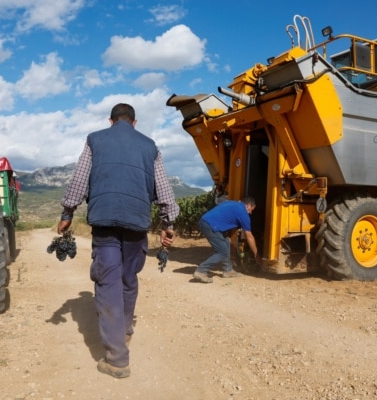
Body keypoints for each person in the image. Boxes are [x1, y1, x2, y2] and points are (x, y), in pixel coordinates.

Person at [57, 103, 179, 379]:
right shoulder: (150, 147)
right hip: (137, 222)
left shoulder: (95, 139)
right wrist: (168, 224)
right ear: (134, 123)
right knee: (128, 278)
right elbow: (164, 189)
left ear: (111, 121)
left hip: (105, 220)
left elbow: (79, 180)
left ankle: (117, 359)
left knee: (108, 281)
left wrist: (67, 212)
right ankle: (123, 329)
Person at [193, 196, 259, 283]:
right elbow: (249, 235)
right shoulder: (243, 212)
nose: (250, 213)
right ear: (248, 205)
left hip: (206, 222)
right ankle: (201, 271)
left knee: (226, 242)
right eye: (251, 210)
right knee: (222, 252)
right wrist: (256, 254)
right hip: (210, 225)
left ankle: (228, 270)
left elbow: (225, 218)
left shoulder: (233, 203)